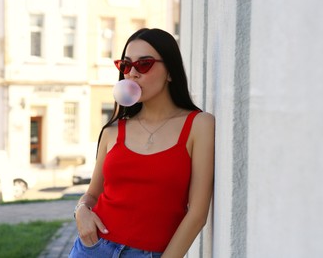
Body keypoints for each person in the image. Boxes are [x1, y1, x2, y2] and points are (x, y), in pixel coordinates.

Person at [69, 28, 215, 258]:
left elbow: (197, 213)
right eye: (126, 65)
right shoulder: (112, 131)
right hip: (93, 248)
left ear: (170, 72)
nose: (132, 73)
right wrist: (81, 211)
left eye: (144, 64)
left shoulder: (200, 125)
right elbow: (92, 195)